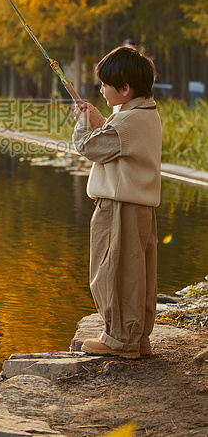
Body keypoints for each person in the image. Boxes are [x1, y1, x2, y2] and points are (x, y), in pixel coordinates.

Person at [72, 46, 161, 359]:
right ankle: (138, 338)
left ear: (125, 88)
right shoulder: (142, 113)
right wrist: (97, 117)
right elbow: (113, 137)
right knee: (138, 272)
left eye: (105, 85)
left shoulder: (127, 123)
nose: (101, 89)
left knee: (113, 271)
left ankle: (119, 339)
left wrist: (82, 121)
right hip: (140, 208)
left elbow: (89, 146)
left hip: (120, 207)